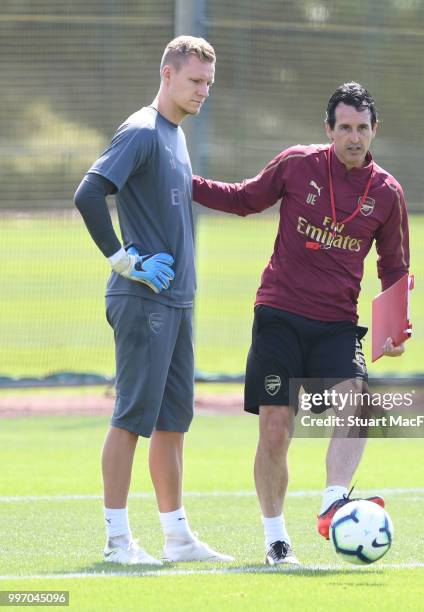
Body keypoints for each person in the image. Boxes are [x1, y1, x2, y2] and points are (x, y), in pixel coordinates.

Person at [193, 82, 409, 565]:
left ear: (376, 130)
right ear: (328, 130)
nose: (354, 137)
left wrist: (394, 328)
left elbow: (393, 266)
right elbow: (246, 198)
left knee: (356, 401)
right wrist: (186, 182)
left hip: (336, 323)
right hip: (279, 315)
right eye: (345, 128)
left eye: (362, 128)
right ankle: (276, 540)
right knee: (275, 426)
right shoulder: (297, 165)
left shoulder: (388, 194)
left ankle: (334, 500)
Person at [74, 35, 232, 565]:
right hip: (143, 301)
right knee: (131, 417)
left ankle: (177, 536)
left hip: (178, 303)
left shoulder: (177, 135)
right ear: (166, 74)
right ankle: (118, 542)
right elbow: (89, 193)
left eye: (208, 83)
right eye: (194, 81)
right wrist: (125, 261)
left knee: (172, 422)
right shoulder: (142, 130)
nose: (203, 91)